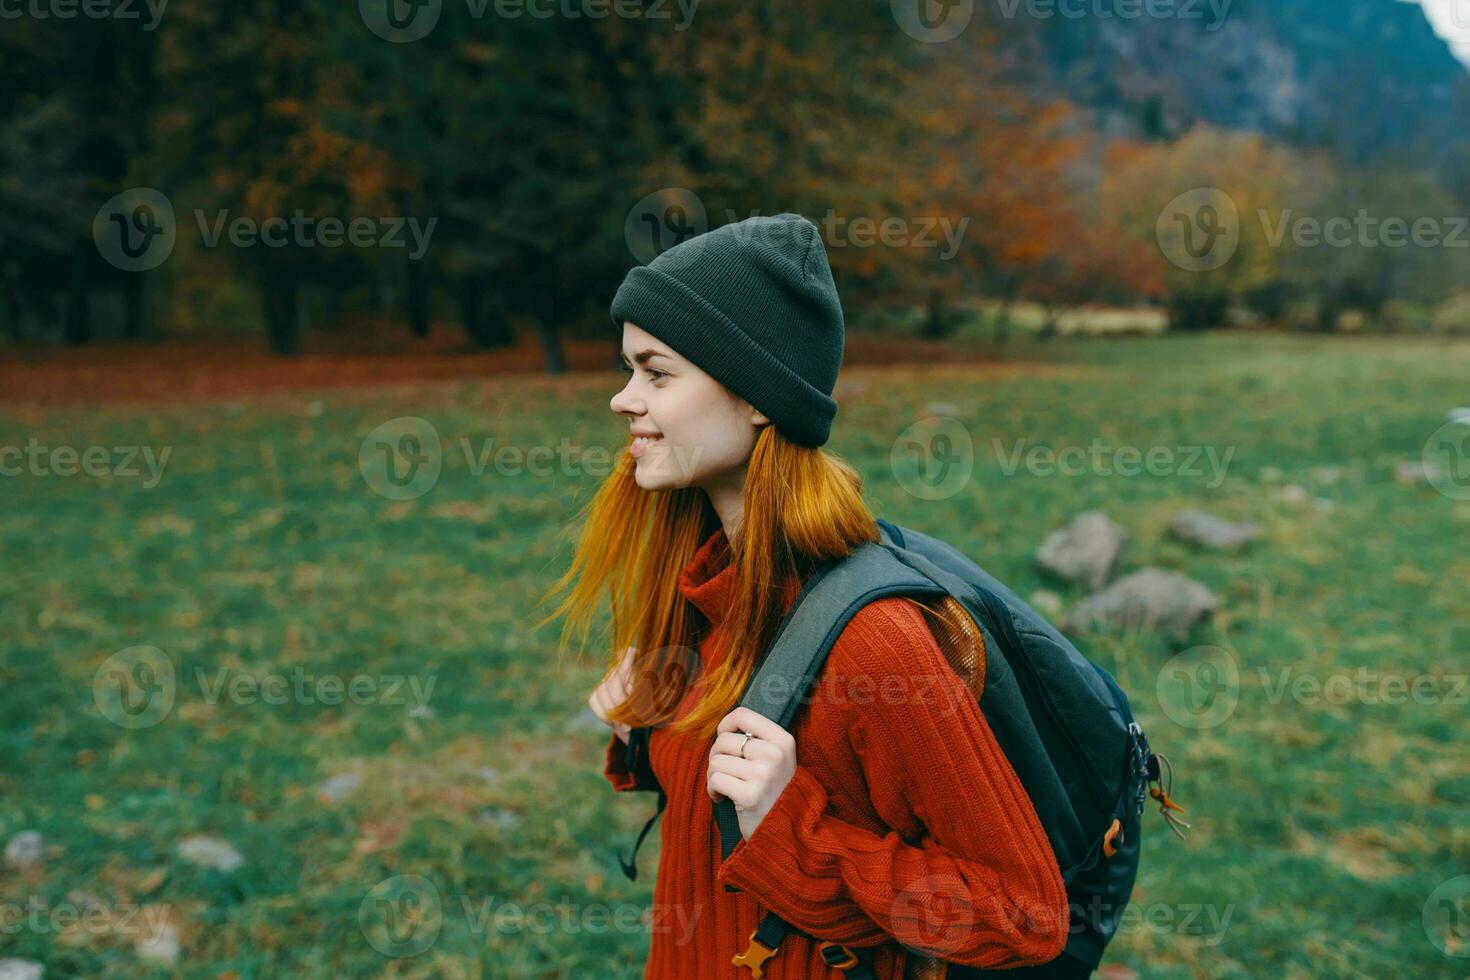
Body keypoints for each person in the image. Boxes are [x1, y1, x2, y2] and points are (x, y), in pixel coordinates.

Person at [538, 213, 1078, 979]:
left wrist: (795, 827)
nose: (623, 400)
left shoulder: (877, 643)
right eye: (627, 370)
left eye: (656, 373)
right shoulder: (710, 582)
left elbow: (1022, 915)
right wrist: (648, 729)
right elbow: (724, 786)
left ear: (759, 396)